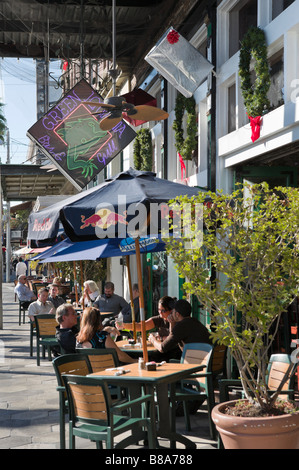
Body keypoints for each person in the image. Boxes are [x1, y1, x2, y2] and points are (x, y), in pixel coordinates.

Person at [119, 296, 181, 361]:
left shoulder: (177, 321)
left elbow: (172, 339)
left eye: (163, 310)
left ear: (171, 311)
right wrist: (124, 325)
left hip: (174, 354)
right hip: (161, 351)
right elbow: (142, 326)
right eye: (159, 310)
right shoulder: (160, 319)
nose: (160, 313)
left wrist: (158, 339)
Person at [148, 299, 212, 355]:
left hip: (196, 364)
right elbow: (172, 338)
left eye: (173, 311)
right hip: (204, 360)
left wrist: (152, 340)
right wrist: (172, 323)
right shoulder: (195, 322)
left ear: (177, 314)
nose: (171, 313)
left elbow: (162, 348)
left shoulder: (181, 326)